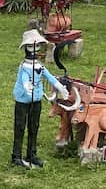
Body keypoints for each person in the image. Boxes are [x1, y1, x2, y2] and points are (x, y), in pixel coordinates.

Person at [12, 27, 68, 168]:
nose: (35, 49)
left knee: (34, 126)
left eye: (36, 46)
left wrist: (61, 87)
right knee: (20, 127)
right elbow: (24, 79)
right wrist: (27, 86)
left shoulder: (39, 66)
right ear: (26, 48)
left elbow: (49, 77)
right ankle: (16, 156)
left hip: (36, 100)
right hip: (23, 100)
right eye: (31, 46)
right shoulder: (24, 66)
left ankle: (32, 153)